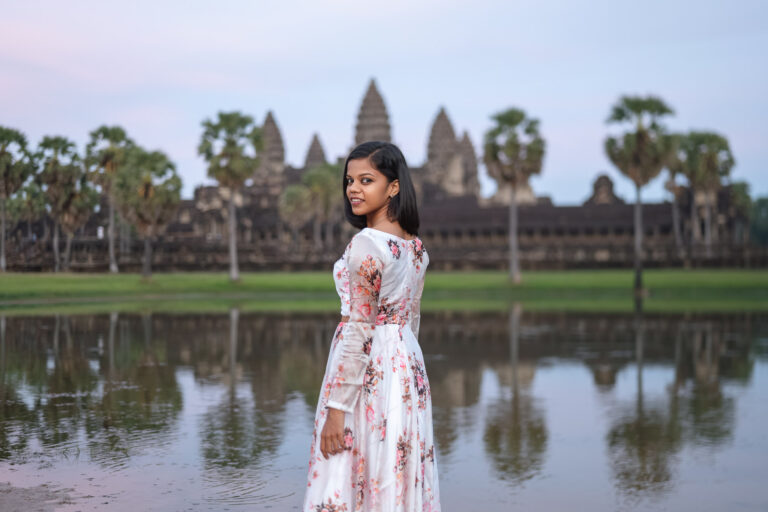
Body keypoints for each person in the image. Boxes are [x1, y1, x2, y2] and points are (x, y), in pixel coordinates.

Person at [302, 141, 441, 511]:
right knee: (394, 462)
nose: (353, 189)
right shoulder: (415, 248)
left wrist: (337, 408)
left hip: (368, 368)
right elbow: (412, 319)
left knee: (350, 465)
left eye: (366, 180)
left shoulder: (367, 245)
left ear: (393, 186)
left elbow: (360, 329)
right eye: (349, 181)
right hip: (405, 367)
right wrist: (402, 367)